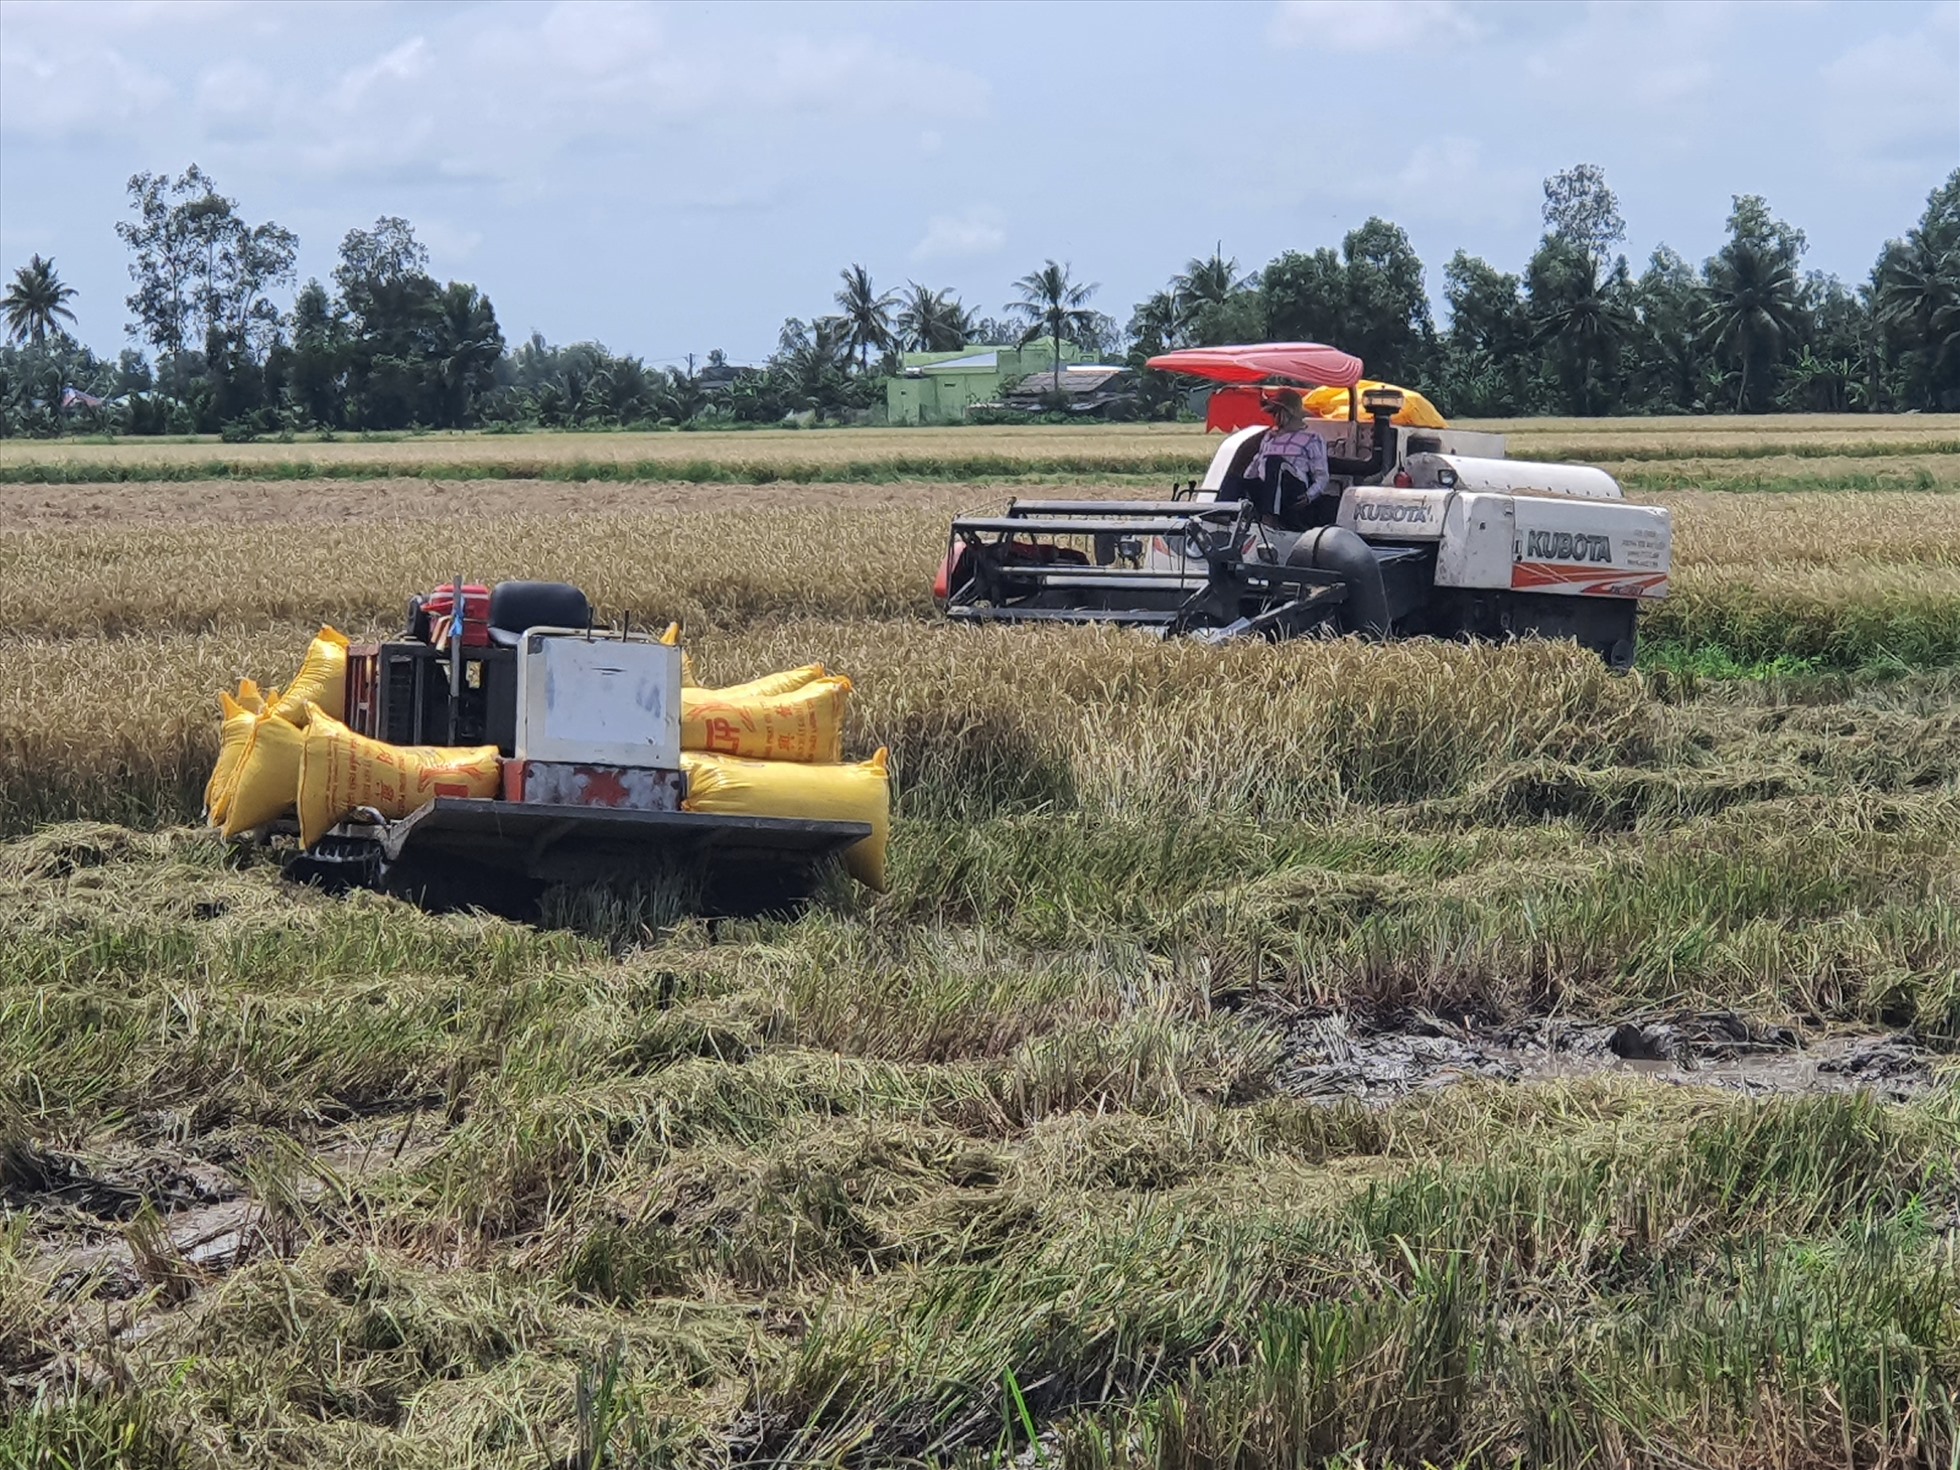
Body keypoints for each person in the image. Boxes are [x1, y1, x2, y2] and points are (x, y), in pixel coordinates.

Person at [1240, 388, 1334, 530]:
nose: (1275, 416)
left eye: (1278, 412)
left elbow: (1322, 475)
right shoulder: (1269, 437)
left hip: (1294, 489)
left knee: (1275, 462)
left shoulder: (1312, 438)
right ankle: (1222, 511)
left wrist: (1310, 495)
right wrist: (1245, 483)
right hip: (1266, 486)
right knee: (1235, 478)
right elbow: (1255, 464)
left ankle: (1271, 516)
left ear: (1288, 414)